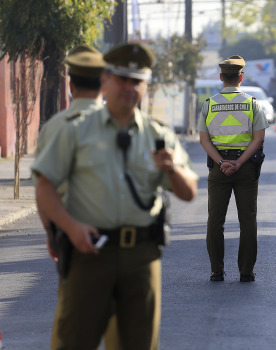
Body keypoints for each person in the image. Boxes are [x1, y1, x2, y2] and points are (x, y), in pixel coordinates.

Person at [33, 42, 198, 349]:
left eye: (136, 81)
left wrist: (172, 169)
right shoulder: (76, 130)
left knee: (137, 344)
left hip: (142, 257)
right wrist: (69, 228)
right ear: (105, 80)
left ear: (146, 86)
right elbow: (45, 186)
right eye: (121, 79)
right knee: (74, 341)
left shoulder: (158, 134)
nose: (129, 87)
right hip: (90, 251)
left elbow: (189, 192)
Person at [34, 44, 122, 350]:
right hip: (124, 243)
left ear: (70, 85)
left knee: (69, 326)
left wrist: (51, 231)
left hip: (72, 235)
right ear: (104, 83)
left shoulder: (53, 128)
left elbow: (44, 188)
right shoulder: (124, 123)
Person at [197, 55, 269, 282]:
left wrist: (221, 162)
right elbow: (258, 139)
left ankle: (216, 270)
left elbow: (204, 140)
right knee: (248, 220)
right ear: (241, 77)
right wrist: (239, 162)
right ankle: (246, 272)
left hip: (219, 170)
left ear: (221, 77)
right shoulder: (252, 104)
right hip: (246, 168)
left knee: (215, 220)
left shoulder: (209, 104)